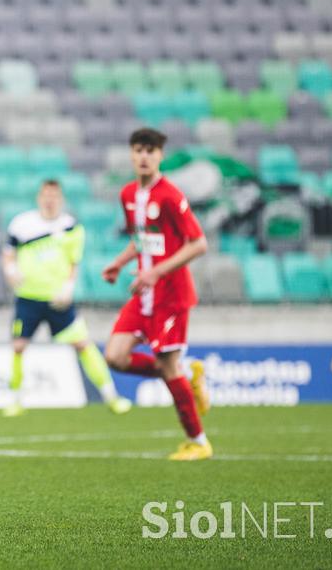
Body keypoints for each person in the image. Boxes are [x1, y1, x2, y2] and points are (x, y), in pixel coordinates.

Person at [102, 128, 212, 461]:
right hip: (144, 293)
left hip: (171, 295)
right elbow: (144, 239)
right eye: (139, 150)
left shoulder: (170, 195)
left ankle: (198, 441)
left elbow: (198, 243)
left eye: (151, 150)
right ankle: (184, 373)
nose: (144, 156)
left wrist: (156, 272)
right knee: (115, 357)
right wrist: (120, 263)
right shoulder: (128, 194)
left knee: (166, 364)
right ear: (132, 155)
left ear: (160, 156)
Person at [1, 179, 132, 417]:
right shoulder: (22, 224)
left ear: (60, 199)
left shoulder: (71, 227)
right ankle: (15, 400)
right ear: (39, 198)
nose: (49, 200)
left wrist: (69, 287)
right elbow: (8, 254)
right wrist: (11, 272)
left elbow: (74, 262)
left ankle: (112, 397)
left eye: (54, 196)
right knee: (18, 346)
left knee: (82, 343)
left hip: (58, 299)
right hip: (28, 297)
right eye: (45, 195)